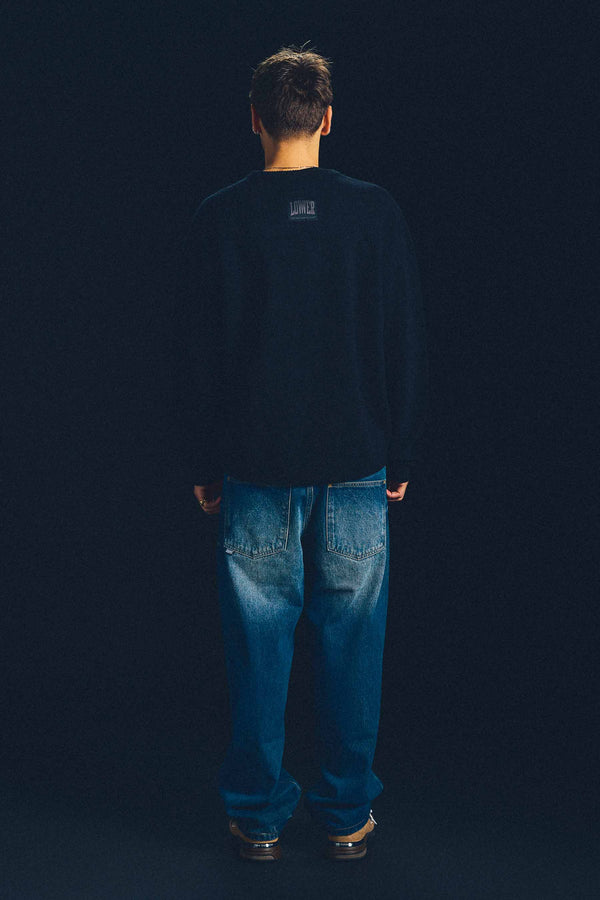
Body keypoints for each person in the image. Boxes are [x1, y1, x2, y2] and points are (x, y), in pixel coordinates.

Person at [170, 43, 429, 861]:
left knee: (257, 650)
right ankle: (347, 816)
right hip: (356, 465)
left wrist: (203, 465)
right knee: (354, 649)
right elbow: (403, 341)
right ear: (327, 119)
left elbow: (198, 358)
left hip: (254, 466)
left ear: (254, 118)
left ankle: (258, 817)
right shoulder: (375, 213)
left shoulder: (219, 217)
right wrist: (401, 455)